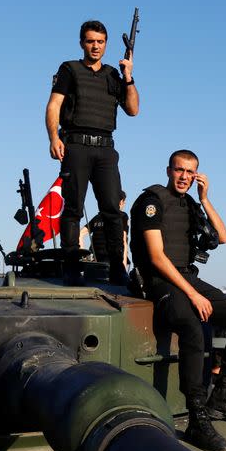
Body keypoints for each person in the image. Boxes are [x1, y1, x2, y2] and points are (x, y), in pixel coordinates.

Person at [130, 149, 226, 451]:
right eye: (179, 170)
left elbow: (222, 237)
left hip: (187, 277)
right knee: (191, 328)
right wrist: (193, 293)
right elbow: (157, 258)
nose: (184, 176)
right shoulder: (151, 201)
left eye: (190, 171)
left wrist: (205, 198)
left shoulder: (190, 205)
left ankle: (221, 398)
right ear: (169, 170)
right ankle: (198, 419)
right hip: (159, 281)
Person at [46, 20, 139, 286]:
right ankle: (72, 266)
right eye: (90, 41)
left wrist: (128, 76)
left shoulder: (114, 74)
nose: (95, 46)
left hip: (106, 149)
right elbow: (54, 105)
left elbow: (133, 110)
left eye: (100, 42)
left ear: (106, 44)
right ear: (82, 43)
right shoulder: (69, 69)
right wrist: (54, 137)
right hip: (75, 145)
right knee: (73, 207)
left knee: (112, 209)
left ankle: (118, 267)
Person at [80, 191, 129, 270]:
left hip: (95, 261)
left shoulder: (98, 217)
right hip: (112, 262)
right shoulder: (122, 216)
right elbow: (123, 240)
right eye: (124, 201)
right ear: (121, 202)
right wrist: (122, 268)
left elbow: (80, 234)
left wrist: (84, 256)